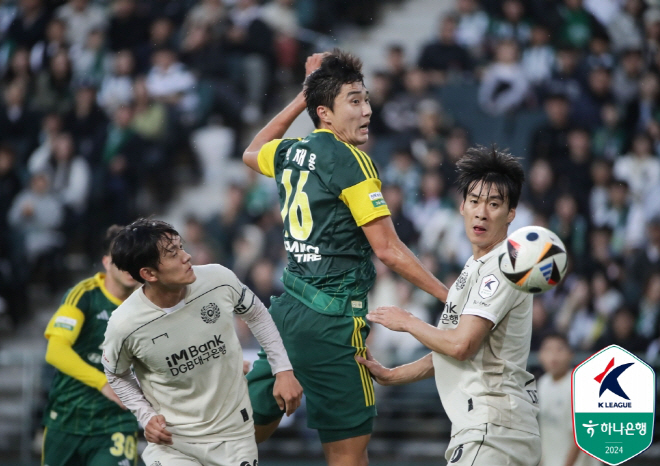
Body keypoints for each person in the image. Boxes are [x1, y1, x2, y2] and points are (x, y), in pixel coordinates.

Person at [242, 50, 448, 466]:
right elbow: (387, 249)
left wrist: (304, 94)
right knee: (349, 457)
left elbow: (252, 151)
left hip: (286, 315)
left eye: (366, 99)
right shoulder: (351, 161)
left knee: (242, 439)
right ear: (326, 113)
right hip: (333, 325)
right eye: (354, 100)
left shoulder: (293, 151)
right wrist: (450, 296)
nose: (367, 109)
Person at [358, 146, 542, 466]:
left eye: (494, 204)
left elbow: (460, 346)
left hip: (491, 430)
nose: (481, 212)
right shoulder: (474, 266)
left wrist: (408, 321)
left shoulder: (501, 267)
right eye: (474, 201)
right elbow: (449, 349)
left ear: (511, 213)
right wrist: (393, 374)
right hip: (495, 428)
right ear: (462, 207)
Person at [101, 219, 302, 466]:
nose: (187, 257)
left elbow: (257, 314)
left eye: (182, 247)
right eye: (173, 253)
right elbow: (116, 375)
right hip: (174, 445)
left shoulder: (218, 278)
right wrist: (146, 416)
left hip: (235, 436)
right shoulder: (124, 324)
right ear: (148, 273)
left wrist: (282, 368)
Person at [42, 225, 140, 466]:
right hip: (67, 419)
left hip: (116, 422)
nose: (129, 266)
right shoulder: (83, 295)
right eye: (122, 259)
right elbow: (55, 351)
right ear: (106, 262)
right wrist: (103, 384)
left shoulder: (149, 305)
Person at [538, 333, 601, 466]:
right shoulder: (543, 383)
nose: (553, 355)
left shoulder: (580, 385)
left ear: (571, 354)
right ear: (540, 355)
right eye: (548, 350)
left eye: (559, 349)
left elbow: (581, 435)